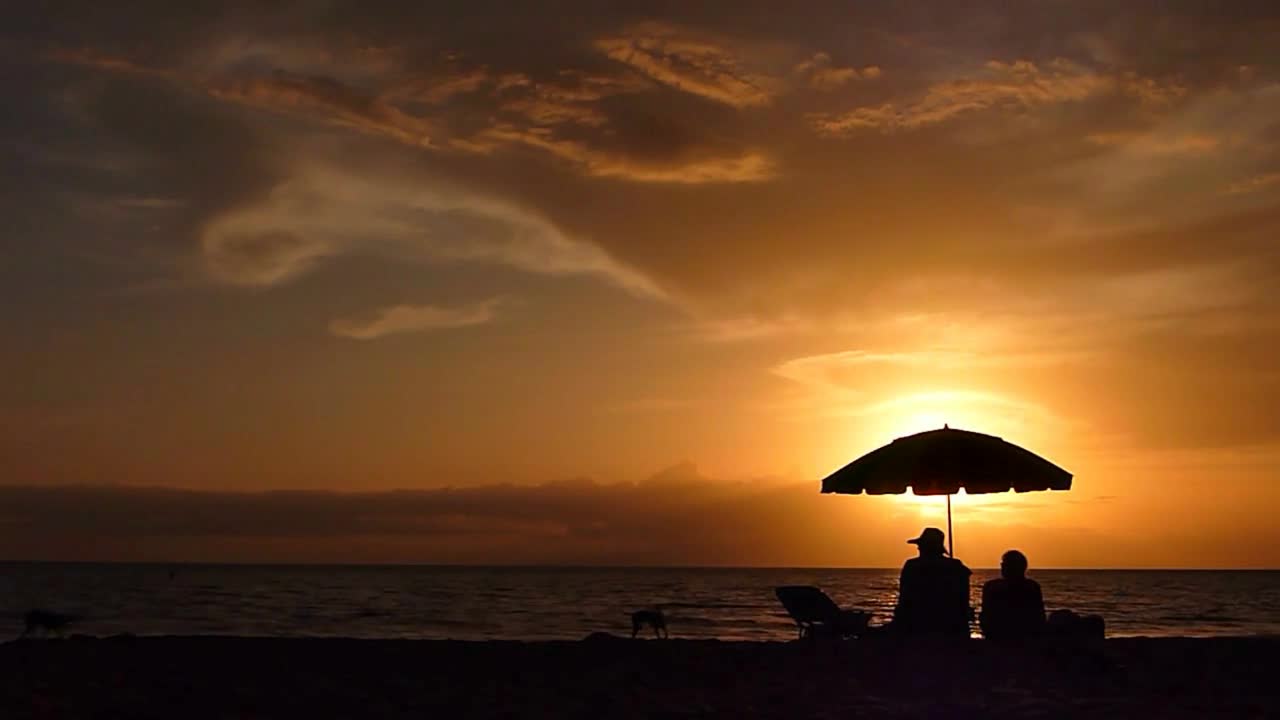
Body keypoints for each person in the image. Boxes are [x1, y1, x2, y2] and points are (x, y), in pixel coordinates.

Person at [890, 527, 972, 638]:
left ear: (927, 546)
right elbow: (964, 601)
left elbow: (905, 600)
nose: (918, 548)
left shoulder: (912, 566)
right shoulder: (957, 567)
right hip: (953, 629)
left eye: (921, 545)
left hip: (918, 629)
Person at [979, 549, 1046, 642]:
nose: (1002, 567)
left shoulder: (992, 587)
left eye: (1005, 564)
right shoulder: (1032, 587)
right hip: (1019, 639)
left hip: (1002, 638)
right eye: (1002, 564)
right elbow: (1039, 617)